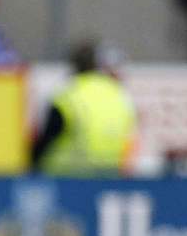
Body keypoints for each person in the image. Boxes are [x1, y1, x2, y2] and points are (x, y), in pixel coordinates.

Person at [30, 40, 135, 176]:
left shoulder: (67, 96)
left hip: (66, 177)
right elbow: (130, 140)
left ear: (73, 65)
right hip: (109, 175)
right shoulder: (119, 96)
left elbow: (47, 139)